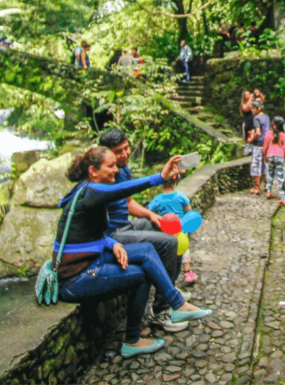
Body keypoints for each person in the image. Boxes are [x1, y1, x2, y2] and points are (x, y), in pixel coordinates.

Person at [54, 147, 212, 358]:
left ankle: (167, 311)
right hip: (76, 279)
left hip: (92, 261)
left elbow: (87, 235)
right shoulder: (91, 191)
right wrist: (160, 178)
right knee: (140, 274)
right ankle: (149, 326)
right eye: (110, 166)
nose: (116, 171)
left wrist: (112, 244)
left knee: (146, 251)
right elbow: (125, 189)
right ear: (93, 171)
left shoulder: (89, 192)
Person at [98, 129, 190, 332]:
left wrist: (150, 215)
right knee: (169, 243)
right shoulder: (103, 174)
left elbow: (128, 202)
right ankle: (161, 310)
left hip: (127, 224)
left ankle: (169, 288)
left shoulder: (122, 169)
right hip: (114, 234)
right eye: (118, 151)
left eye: (126, 148)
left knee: (171, 229)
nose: (125, 154)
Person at [147, 177, 198, 284]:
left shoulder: (157, 199)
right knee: (184, 249)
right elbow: (189, 210)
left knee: (168, 252)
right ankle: (187, 273)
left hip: (165, 230)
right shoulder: (180, 195)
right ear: (175, 182)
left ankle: (166, 275)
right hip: (180, 228)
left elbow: (149, 212)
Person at [263, 116, 285, 205]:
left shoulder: (268, 134)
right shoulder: (283, 135)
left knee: (269, 174)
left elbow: (265, 147)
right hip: (280, 156)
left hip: (270, 156)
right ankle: (283, 197)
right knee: (281, 177)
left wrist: (265, 156)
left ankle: (268, 191)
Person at [248, 99, 270, 195]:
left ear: (258, 109)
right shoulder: (267, 117)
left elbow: (257, 132)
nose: (252, 110)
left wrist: (251, 140)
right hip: (267, 145)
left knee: (256, 166)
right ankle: (267, 186)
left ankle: (257, 188)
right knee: (265, 166)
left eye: (253, 108)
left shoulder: (256, 118)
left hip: (258, 145)